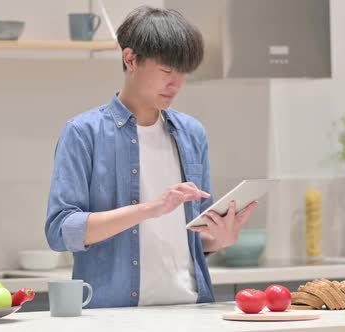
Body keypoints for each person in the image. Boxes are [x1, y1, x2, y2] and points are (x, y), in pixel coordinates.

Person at [45, 6, 258, 308]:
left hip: (192, 309)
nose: (177, 83)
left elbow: (198, 237)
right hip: (115, 317)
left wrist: (223, 237)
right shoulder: (83, 133)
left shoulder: (191, 133)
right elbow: (60, 231)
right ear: (130, 59)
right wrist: (151, 208)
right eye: (167, 71)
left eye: (183, 72)